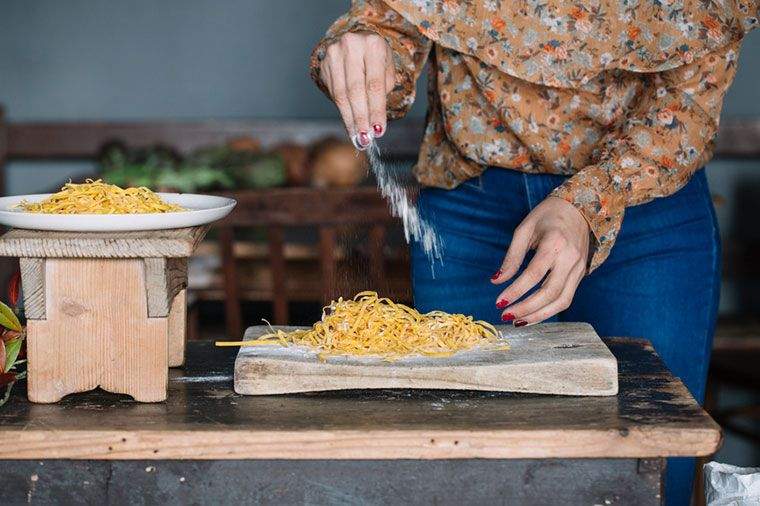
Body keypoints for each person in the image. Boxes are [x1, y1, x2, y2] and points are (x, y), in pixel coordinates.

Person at [310, 1, 758, 503]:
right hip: (471, 206)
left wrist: (589, 202)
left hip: (642, 208)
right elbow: (392, 19)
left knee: (646, 471)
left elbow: (688, 107)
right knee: (474, 475)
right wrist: (364, 45)